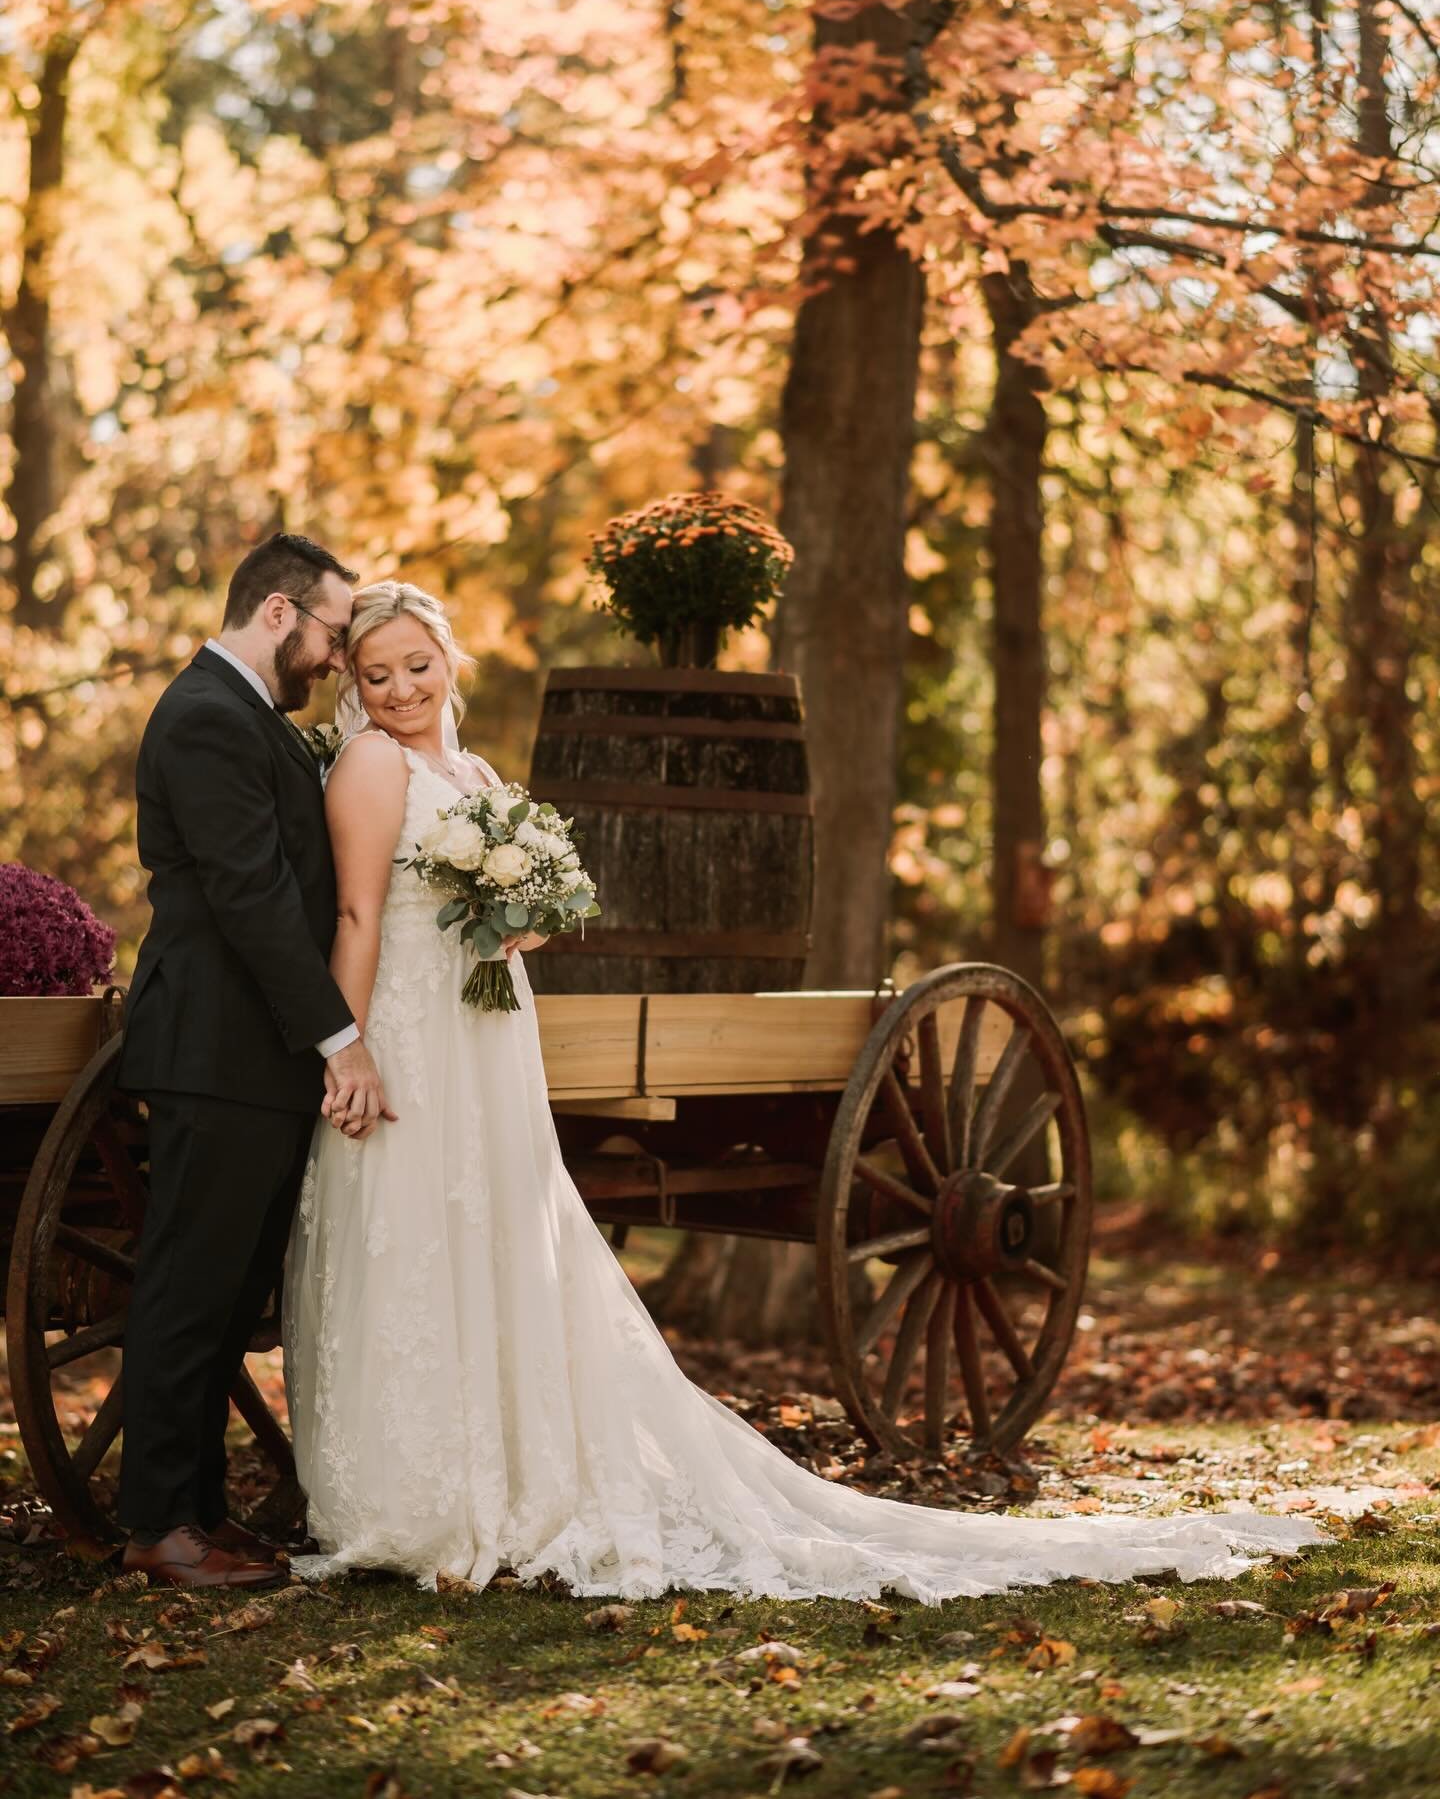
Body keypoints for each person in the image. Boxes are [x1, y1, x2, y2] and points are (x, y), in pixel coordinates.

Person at [284, 579, 1321, 1600]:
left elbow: (522, 904)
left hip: (488, 1027)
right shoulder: (370, 768)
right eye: (378, 675)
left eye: (418, 665)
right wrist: (352, 1047)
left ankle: (499, 1469)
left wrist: (534, 915)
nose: (402, 688)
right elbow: (361, 920)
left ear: (449, 657)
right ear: (355, 685)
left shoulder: (468, 768)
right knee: (414, 1227)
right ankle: (418, 1489)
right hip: (415, 1030)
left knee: (494, 1229)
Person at [118, 535, 396, 1589]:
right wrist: (340, 1034)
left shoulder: (251, 721)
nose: (334, 658)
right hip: (213, 1046)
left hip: (256, 1053)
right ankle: (153, 1522)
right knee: (189, 1290)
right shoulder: (202, 717)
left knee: (230, 1297)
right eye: (332, 631)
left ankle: (198, 1508)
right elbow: (250, 896)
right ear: (278, 612)